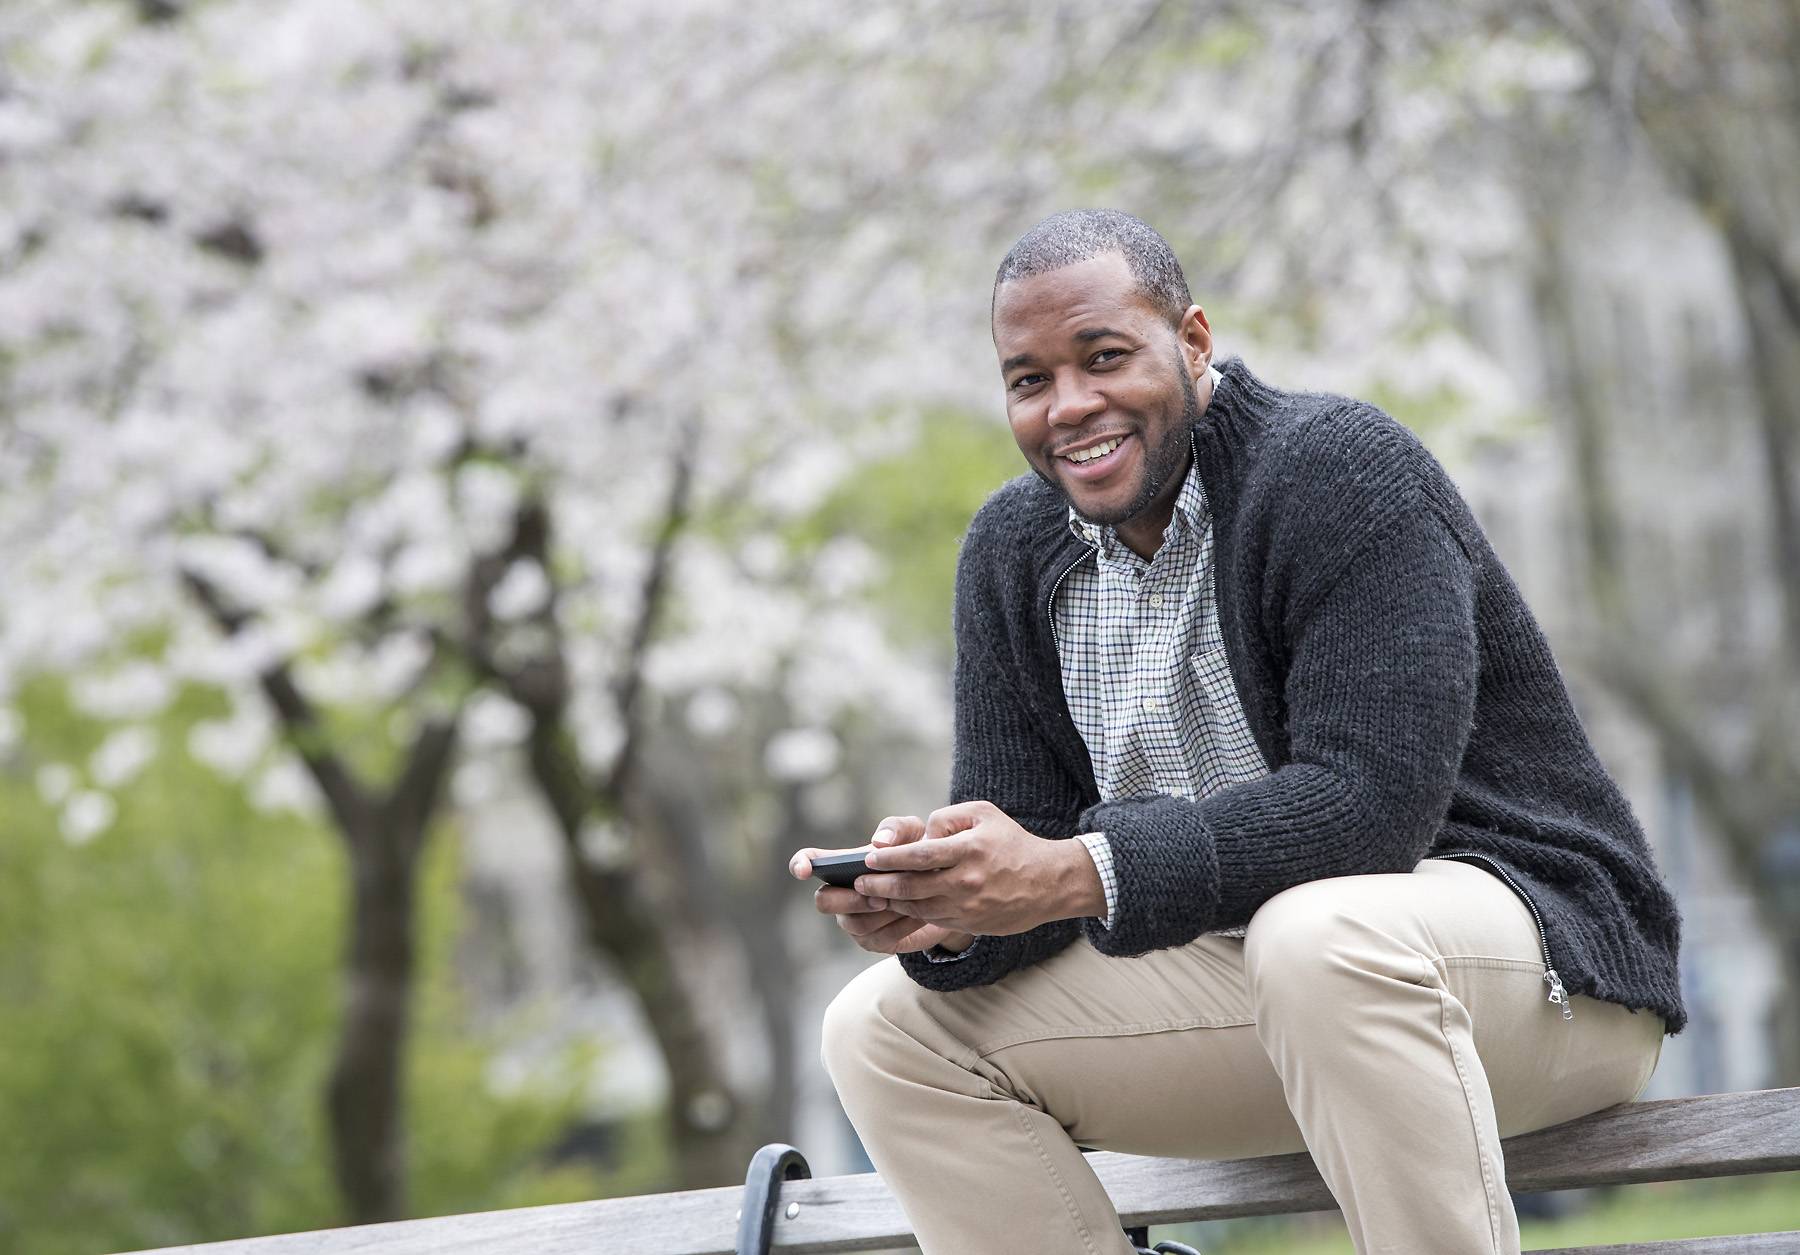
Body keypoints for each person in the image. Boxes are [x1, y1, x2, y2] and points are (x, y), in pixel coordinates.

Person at [788, 209, 1684, 1255]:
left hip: (1542, 977)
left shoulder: (1338, 471)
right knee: (882, 1031)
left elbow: (1368, 813)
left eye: (1106, 356)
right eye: (1029, 379)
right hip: (1275, 1000)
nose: (1072, 406)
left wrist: (1075, 870)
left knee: (1321, 936)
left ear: (1194, 341)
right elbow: (1037, 862)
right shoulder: (1011, 551)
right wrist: (957, 910)